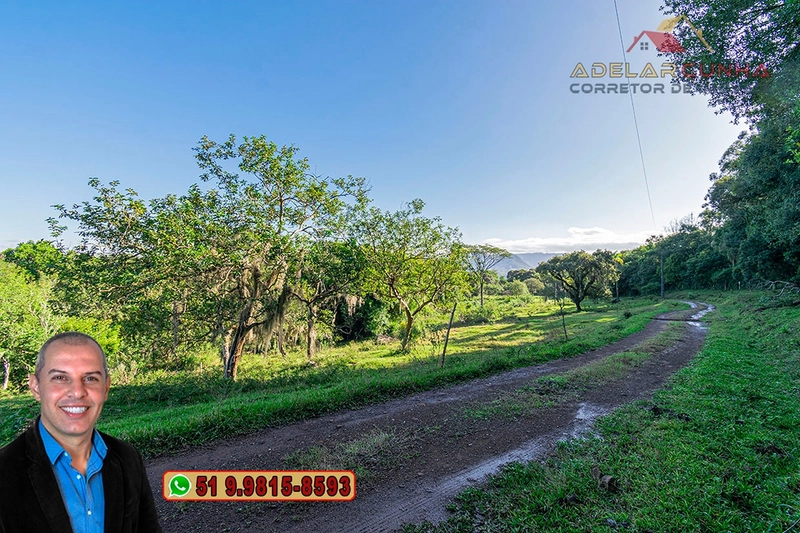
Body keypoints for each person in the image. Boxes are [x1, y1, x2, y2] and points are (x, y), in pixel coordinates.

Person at [0, 332, 162, 533]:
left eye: (90, 378)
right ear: (35, 387)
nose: (77, 392)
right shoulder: (4, 471)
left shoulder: (128, 458)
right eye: (60, 377)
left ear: (106, 388)